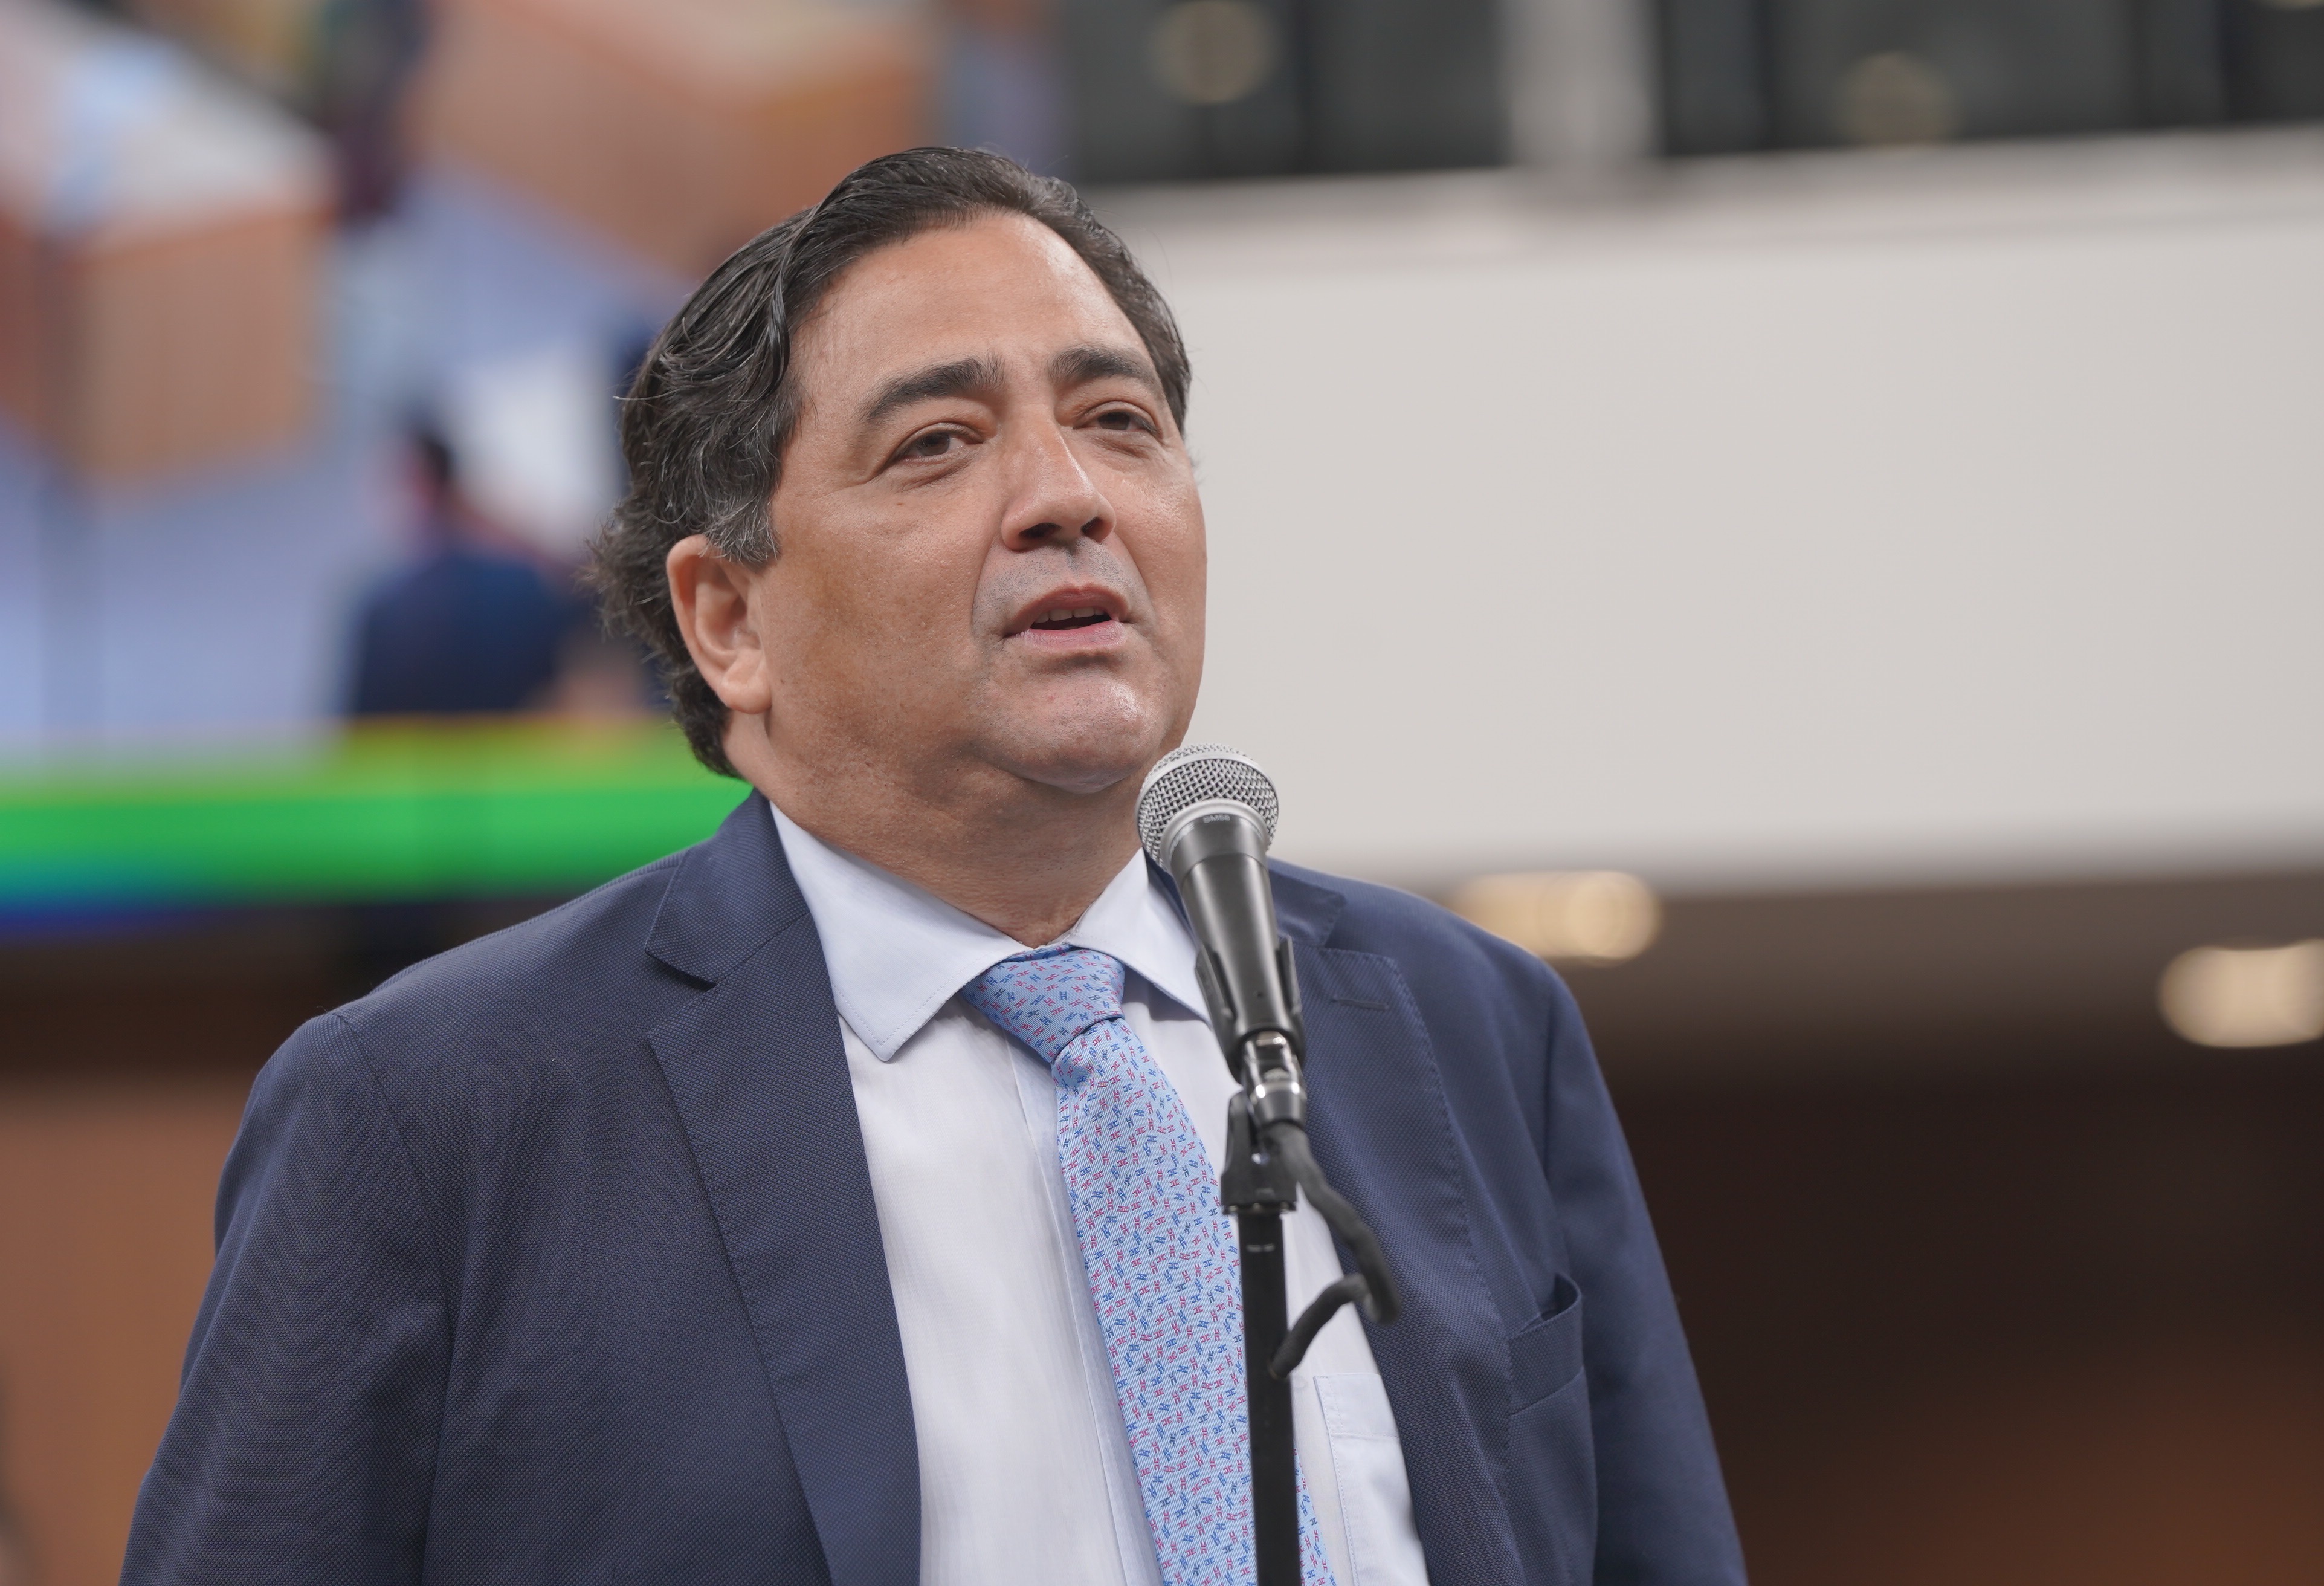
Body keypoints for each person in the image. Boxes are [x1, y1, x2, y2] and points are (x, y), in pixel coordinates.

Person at [124, 149, 1744, 1585]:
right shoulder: (436, 1115)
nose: (1067, 499)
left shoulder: (1468, 1028)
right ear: (729, 620)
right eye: (938, 443)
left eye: (1119, 422)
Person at [346, 421, 582, 718]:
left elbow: (360, 727)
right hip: (518, 744)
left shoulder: (386, 609)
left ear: (418, 486)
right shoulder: (525, 587)